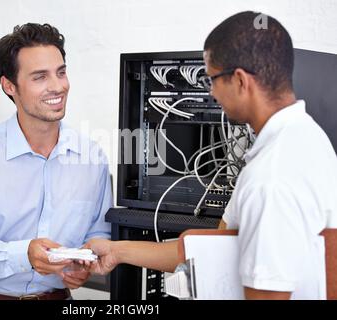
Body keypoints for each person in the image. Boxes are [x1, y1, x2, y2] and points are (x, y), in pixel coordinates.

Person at [86, 11, 337, 300]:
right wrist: (117, 251)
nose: (213, 94)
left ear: (240, 81)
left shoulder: (273, 174)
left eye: (213, 80)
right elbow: (218, 247)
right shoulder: (305, 139)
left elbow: (268, 294)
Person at [0, 23, 112, 300]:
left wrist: (83, 263)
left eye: (61, 72)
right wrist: (23, 255)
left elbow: (99, 231)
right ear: (9, 86)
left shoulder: (92, 158)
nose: (58, 86)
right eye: (40, 77)